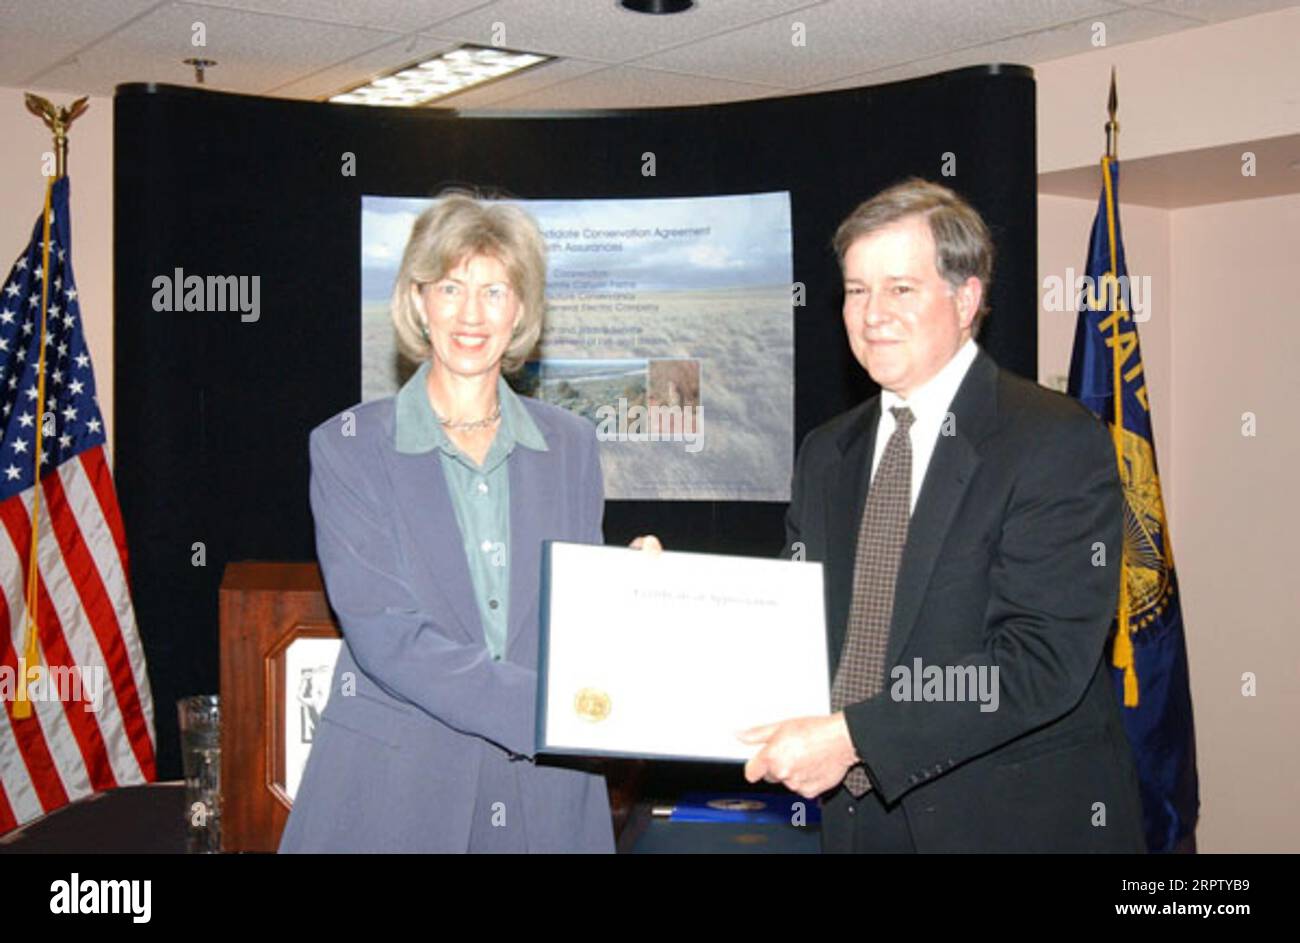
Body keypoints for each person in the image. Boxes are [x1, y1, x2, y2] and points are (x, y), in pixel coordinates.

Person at [741, 178, 1145, 853]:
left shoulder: (1054, 439)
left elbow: (1038, 661)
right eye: (857, 289)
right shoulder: (826, 453)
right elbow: (800, 619)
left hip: (1008, 826)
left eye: (900, 289)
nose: (872, 314)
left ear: (966, 299)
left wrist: (854, 739)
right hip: (858, 826)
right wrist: (670, 597)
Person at [280, 192, 621, 852]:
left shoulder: (572, 443)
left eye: (495, 291)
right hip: (398, 795)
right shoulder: (349, 445)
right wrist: (559, 713)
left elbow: (581, 618)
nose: (471, 313)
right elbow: (390, 638)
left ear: (520, 309)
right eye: (451, 286)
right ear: (418, 301)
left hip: (544, 800)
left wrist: (634, 587)